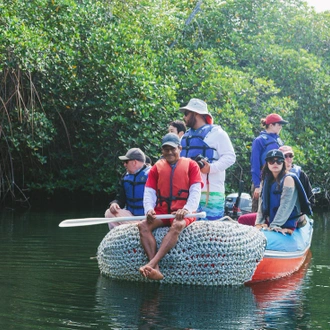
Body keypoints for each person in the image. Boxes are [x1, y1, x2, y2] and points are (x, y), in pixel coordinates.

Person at [138, 133, 203, 281]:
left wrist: (187, 209)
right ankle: (156, 270)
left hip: (183, 212)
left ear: (179, 148)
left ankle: (151, 264)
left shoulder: (192, 165)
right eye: (165, 149)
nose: (169, 152)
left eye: (172, 149)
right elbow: (149, 192)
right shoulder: (156, 168)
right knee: (143, 225)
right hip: (162, 212)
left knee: (177, 225)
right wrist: (149, 209)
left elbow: (195, 191)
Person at [179, 98, 236, 220]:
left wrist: (211, 168)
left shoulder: (218, 133)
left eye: (186, 114)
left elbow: (230, 157)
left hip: (211, 192)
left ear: (196, 114)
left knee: (211, 232)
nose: (184, 117)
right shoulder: (184, 137)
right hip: (188, 192)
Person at [239, 149, 312, 233]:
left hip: (287, 219)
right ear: (267, 164)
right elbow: (262, 204)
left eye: (279, 161)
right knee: (242, 219)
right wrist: (258, 223)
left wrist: (274, 225)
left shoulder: (288, 179)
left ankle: (289, 230)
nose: (275, 164)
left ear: (283, 163)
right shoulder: (265, 180)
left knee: (278, 225)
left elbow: (285, 206)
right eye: (271, 161)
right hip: (271, 217)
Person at [250, 113, 288, 212]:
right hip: (263, 180)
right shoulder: (259, 140)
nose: (280, 127)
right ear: (271, 125)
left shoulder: (278, 140)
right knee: (258, 209)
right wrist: (257, 186)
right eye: (278, 124)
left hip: (277, 179)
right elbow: (255, 164)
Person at [105, 148, 150, 230]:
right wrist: (115, 204)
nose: (124, 164)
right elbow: (120, 199)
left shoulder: (152, 174)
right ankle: (132, 231)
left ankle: (136, 229)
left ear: (134, 162)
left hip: (148, 217)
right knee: (109, 213)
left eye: (126, 162)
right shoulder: (125, 177)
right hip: (131, 217)